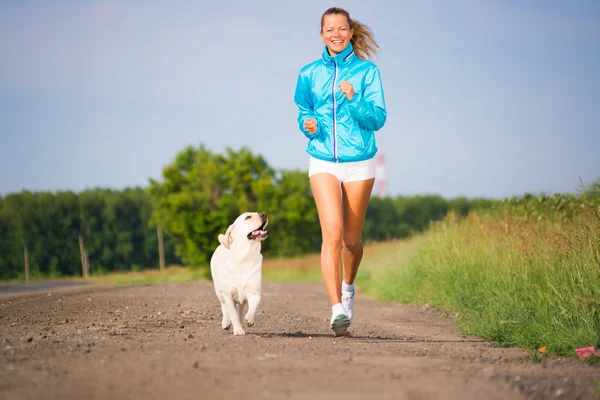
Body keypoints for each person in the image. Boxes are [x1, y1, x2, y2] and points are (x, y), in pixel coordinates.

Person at [293, 7, 387, 336]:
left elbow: (377, 118)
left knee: (350, 241)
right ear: (322, 35)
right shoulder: (308, 73)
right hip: (322, 159)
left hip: (360, 160)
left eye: (341, 28)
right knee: (331, 235)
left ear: (350, 32)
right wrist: (307, 125)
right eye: (329, 29)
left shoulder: (367, 72)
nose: (336, 33)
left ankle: (348, 289)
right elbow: (304, 110)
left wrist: (353, 99)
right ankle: (336, 309)